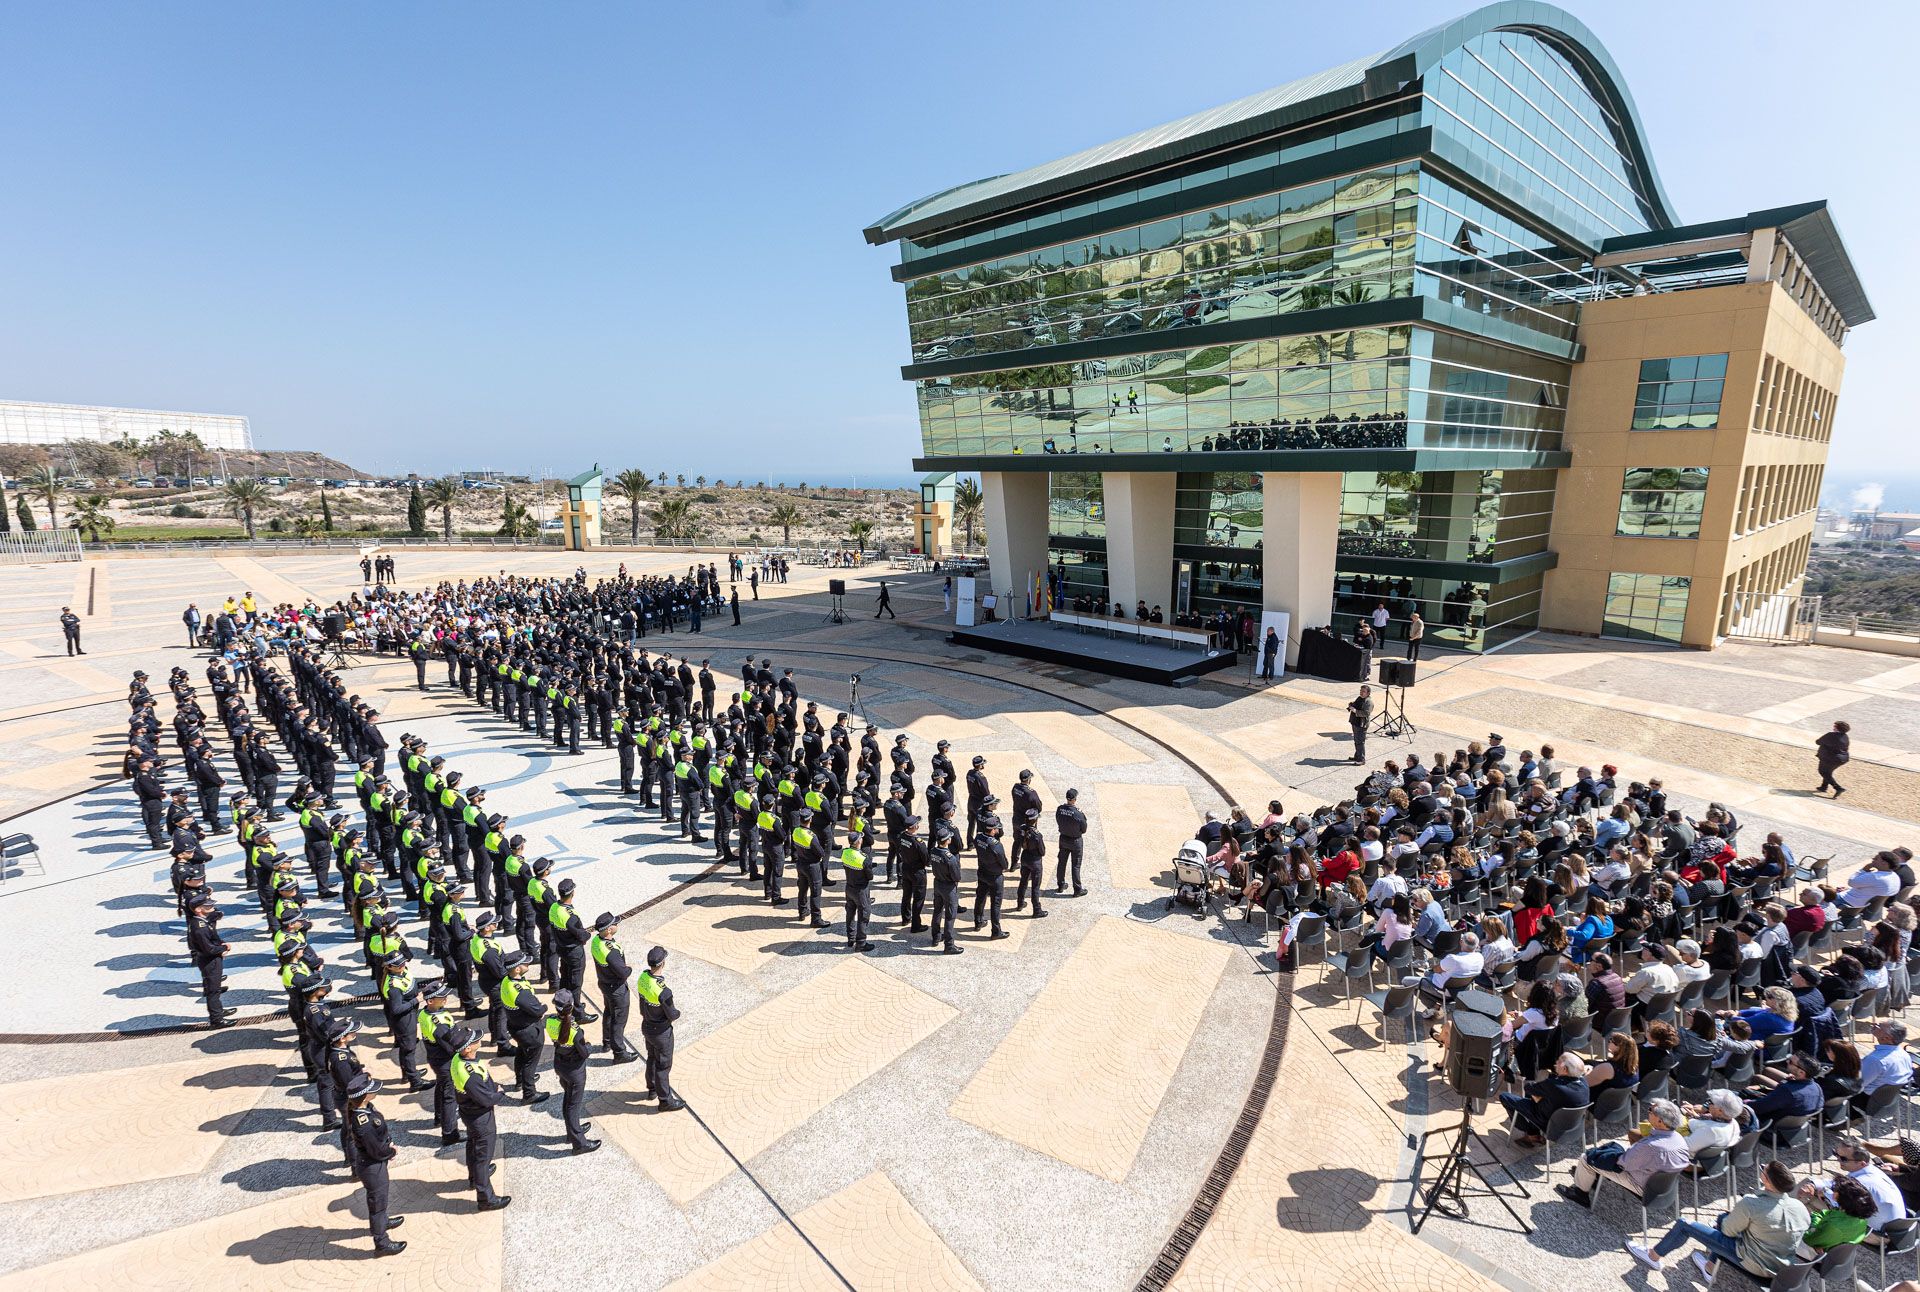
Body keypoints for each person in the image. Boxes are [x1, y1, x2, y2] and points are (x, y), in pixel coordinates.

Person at [1629, 1159, 1809, 1278]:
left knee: (1686, 1223)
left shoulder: (1752, 1204)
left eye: (1763, 1170)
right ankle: (1709, 1267)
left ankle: (1653, 1255)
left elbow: (1727, 1231)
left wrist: (1724, 1218)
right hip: (1781, 1268)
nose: (1761, 1171)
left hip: (1753, 1262)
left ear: (1767, 1181)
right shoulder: (1801, 1209)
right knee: (1736, 1223)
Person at [1558, 1097, 1689, 1210]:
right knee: (1615, 1144)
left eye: (1651, 1111)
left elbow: (1623, 1164)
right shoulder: (1679, 1139)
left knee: (1586, 1158)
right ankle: (1589, 1177)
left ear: (1660, 1121)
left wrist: (1607, 1155)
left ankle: (1580, 1193)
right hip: (1664, 1185)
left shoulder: (1651, 1146)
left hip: (1642, 1185)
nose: (1648, 1111)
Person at [448, 1026, 512, 1211]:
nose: (478, 1040)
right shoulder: (470, 1075)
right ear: (467, 1048)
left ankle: (474, 1177)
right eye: (474, 1040)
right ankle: (486, 1198)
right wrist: (500, 1094)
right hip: (480, 1117)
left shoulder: (457, 1059)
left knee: (473, 1146)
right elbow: (485, 1099)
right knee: (483, 1158)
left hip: (469, 1112)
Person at [344, 1072, 407, 1256]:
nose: (374, 1092)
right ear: (364, 1097)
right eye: (370, 1091)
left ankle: (384, 1221)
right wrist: (391, 1151)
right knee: (377, 1205)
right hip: (372, 1167)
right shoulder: (363, 1122)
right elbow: (375, 1149)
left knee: (381, 1200)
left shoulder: (365, 1109)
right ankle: (382, 1242)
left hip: (374, 1164)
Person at [1499, 1052, 1591, 1147]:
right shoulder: (1584, 1083)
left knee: (1505, 1097)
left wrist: (1538, 1096)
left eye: (1559, 1061)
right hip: (1573, 1125)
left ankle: (1531, 1133)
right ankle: (1532, 1132)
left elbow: (1528, 1087)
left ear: (1565, 1069)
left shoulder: (1554, 1085)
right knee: (1534, 1094)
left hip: (1550, 1125)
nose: (1556, 1062)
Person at [546, 989, 599, 1154]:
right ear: (571, 1007)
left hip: (560, 1066)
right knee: (573, 1106)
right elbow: (585, 1053)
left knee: (568, 1100)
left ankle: (572, 1131)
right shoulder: (575, 1031)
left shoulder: (550, 1022)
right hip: (575, 1070)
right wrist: (588, 1045)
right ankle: (579, 1143)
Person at [638, 945, 685, 1111]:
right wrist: (678, 1013)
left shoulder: (643, 978)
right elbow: (672, 1014)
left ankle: (652, 1089)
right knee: (663, 1066)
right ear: (663, 963)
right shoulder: (664, 992)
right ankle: (665, 1101)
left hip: (647, 1026)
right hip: (662, 1032)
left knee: (651, 1058)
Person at [1055, 788, 1087, 895]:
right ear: (1074, 799)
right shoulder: (1078, 813)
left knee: (1061, 863)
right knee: (1076, 865)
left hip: (1063, 839)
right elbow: (1084, 829)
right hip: (1075, 841)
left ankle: (1060, 885)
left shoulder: (1060, 809)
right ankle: (1077, 889)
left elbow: (1058, 821)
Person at [1816, 720, 1851, 797]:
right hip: (1842, 759)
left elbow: (1818, 742)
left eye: (1834, 726)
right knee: (1828, 772)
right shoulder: (1845, 736)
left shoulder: (1830, 735)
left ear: (1837, 728)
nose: (1833, 727)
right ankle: (1823, 787)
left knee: (1823, 772)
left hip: (1829, 758)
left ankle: (1838, 788)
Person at [1347, 685, 1372, 765]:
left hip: (1362, 724)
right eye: (1361, 691)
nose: (1361, 692)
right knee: (1356, 740)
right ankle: (1357, 756)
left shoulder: (1369, 702)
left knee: (1360, 742)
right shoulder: (1359, 698)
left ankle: (1361, 759)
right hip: (1355, 722)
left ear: (1368, 693)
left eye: (1363, 691)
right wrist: (1351, 705)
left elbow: (1366, 713)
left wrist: (1355, 711)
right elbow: (1355, 705)